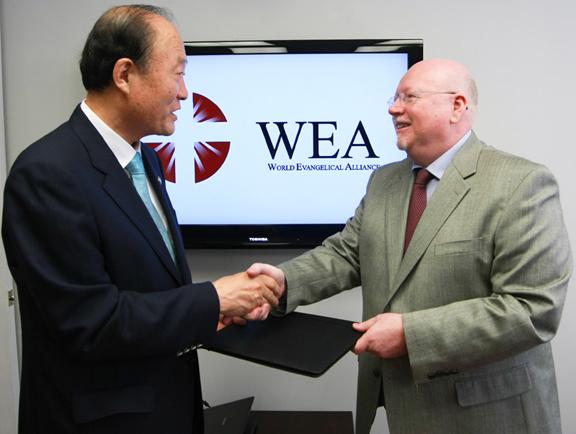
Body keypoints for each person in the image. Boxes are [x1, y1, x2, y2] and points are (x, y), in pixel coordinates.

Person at [248, 59, 573, 434]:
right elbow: (347, 254)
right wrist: (282, 282)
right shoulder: (384, 181)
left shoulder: (522, 183)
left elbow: (532, 309)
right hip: (404, 409)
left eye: (409, 97)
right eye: (394, 98)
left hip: (488, 415)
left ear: (457, 106)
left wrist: (410, 335)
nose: (393, 108)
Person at [2, 5, 279, 434]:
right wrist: (213, 299)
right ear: (125, 74)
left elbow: (149, 290)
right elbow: (89, 322)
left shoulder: (146, 160)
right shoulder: (46, 173)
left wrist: (217, 312)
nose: (184, 93)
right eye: (178, 73)